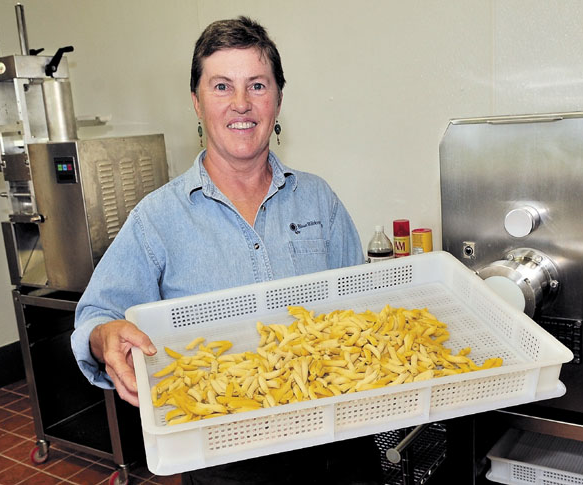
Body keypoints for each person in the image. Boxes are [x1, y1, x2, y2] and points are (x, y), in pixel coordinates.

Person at [71, 16, 381, 485]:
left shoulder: (319, 199)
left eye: (257, 85)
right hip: (228, 462)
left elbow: (359, 304)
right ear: (196, 102)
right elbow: (96, 315)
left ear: (278, 98)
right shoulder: (158, 218)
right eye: (221, 86)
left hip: (340, 445)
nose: (241, 103)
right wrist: (103, 336)